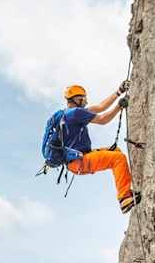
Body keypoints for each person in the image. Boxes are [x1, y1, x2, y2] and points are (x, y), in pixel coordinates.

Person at [41, 82, 138, 213]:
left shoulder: (67, 114)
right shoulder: (75, 113)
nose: (85, 101)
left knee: (115, 151)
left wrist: (118, 92)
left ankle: (125, 190)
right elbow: (103, 119)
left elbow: (100, 107)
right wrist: (119, 106)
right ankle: (124, 198)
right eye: (83, 98)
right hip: (80, 161)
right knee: (118, 159)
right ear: (76, 99)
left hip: (77, 160)